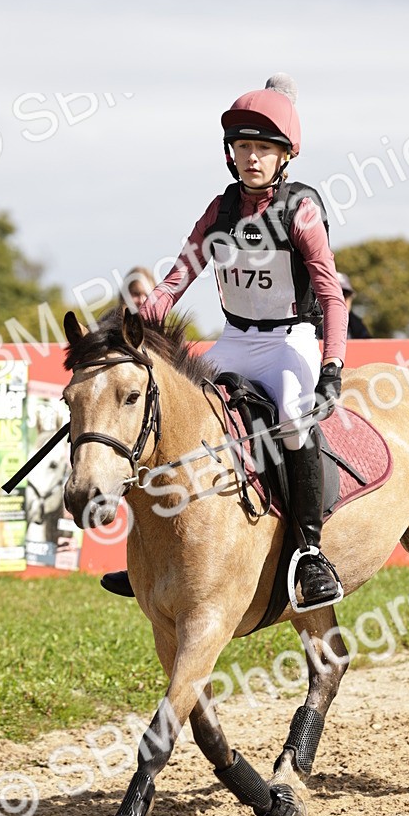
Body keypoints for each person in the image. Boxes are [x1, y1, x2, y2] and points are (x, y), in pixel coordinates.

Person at [102, 73, 348, 609]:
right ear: (230, 153)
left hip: (290, 340)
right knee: (170, 411)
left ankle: (310, 553)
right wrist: (136, 327)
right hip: (234, 340)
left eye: (263, 148)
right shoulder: (220, 210)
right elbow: (175, 280)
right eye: (242, 147)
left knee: (293, 417)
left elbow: (331, 294)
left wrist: (331, 366)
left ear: (285, 157)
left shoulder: (301, 210)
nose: (251, 158)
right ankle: (149, 553)